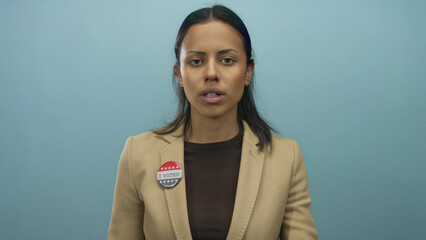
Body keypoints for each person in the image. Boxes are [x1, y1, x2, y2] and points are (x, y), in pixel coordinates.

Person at [108, 5, 318, 240]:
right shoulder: (138, 154)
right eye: (196, 61)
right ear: (178, 73)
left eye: (227, 60)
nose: (211, 73)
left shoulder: (285, 157)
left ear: (248, 72)